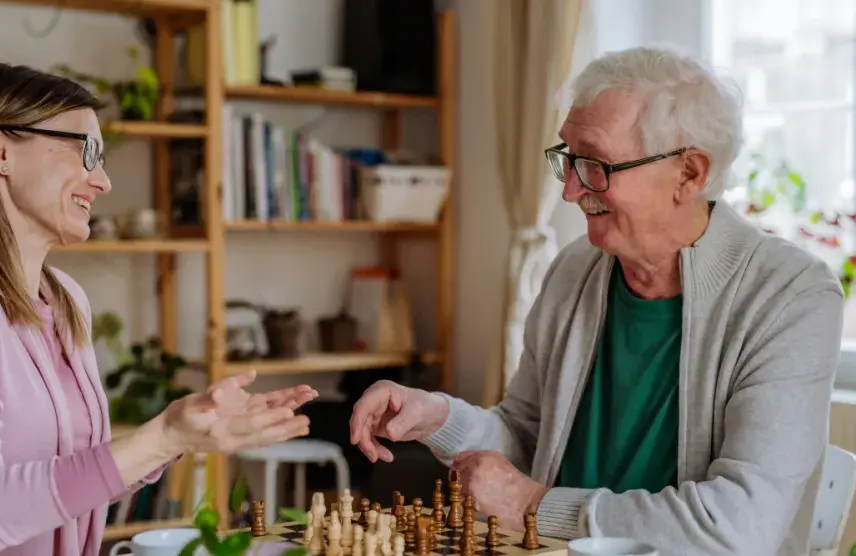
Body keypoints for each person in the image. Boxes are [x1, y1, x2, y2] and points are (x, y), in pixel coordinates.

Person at [349, 46, 844, 556]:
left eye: (595, 164)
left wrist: (535, 505)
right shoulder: (573, 270)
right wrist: (435, 416)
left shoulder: (790, 297)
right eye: (568, 159)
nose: (569, 191)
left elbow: (737, 527)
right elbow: (525, 437)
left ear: (690, 174)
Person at [0, 63, 317, 556]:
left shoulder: (63, 298)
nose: (101, 181)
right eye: (86, 151)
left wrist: (183, 431)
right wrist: (162, 437)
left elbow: (70, 483)